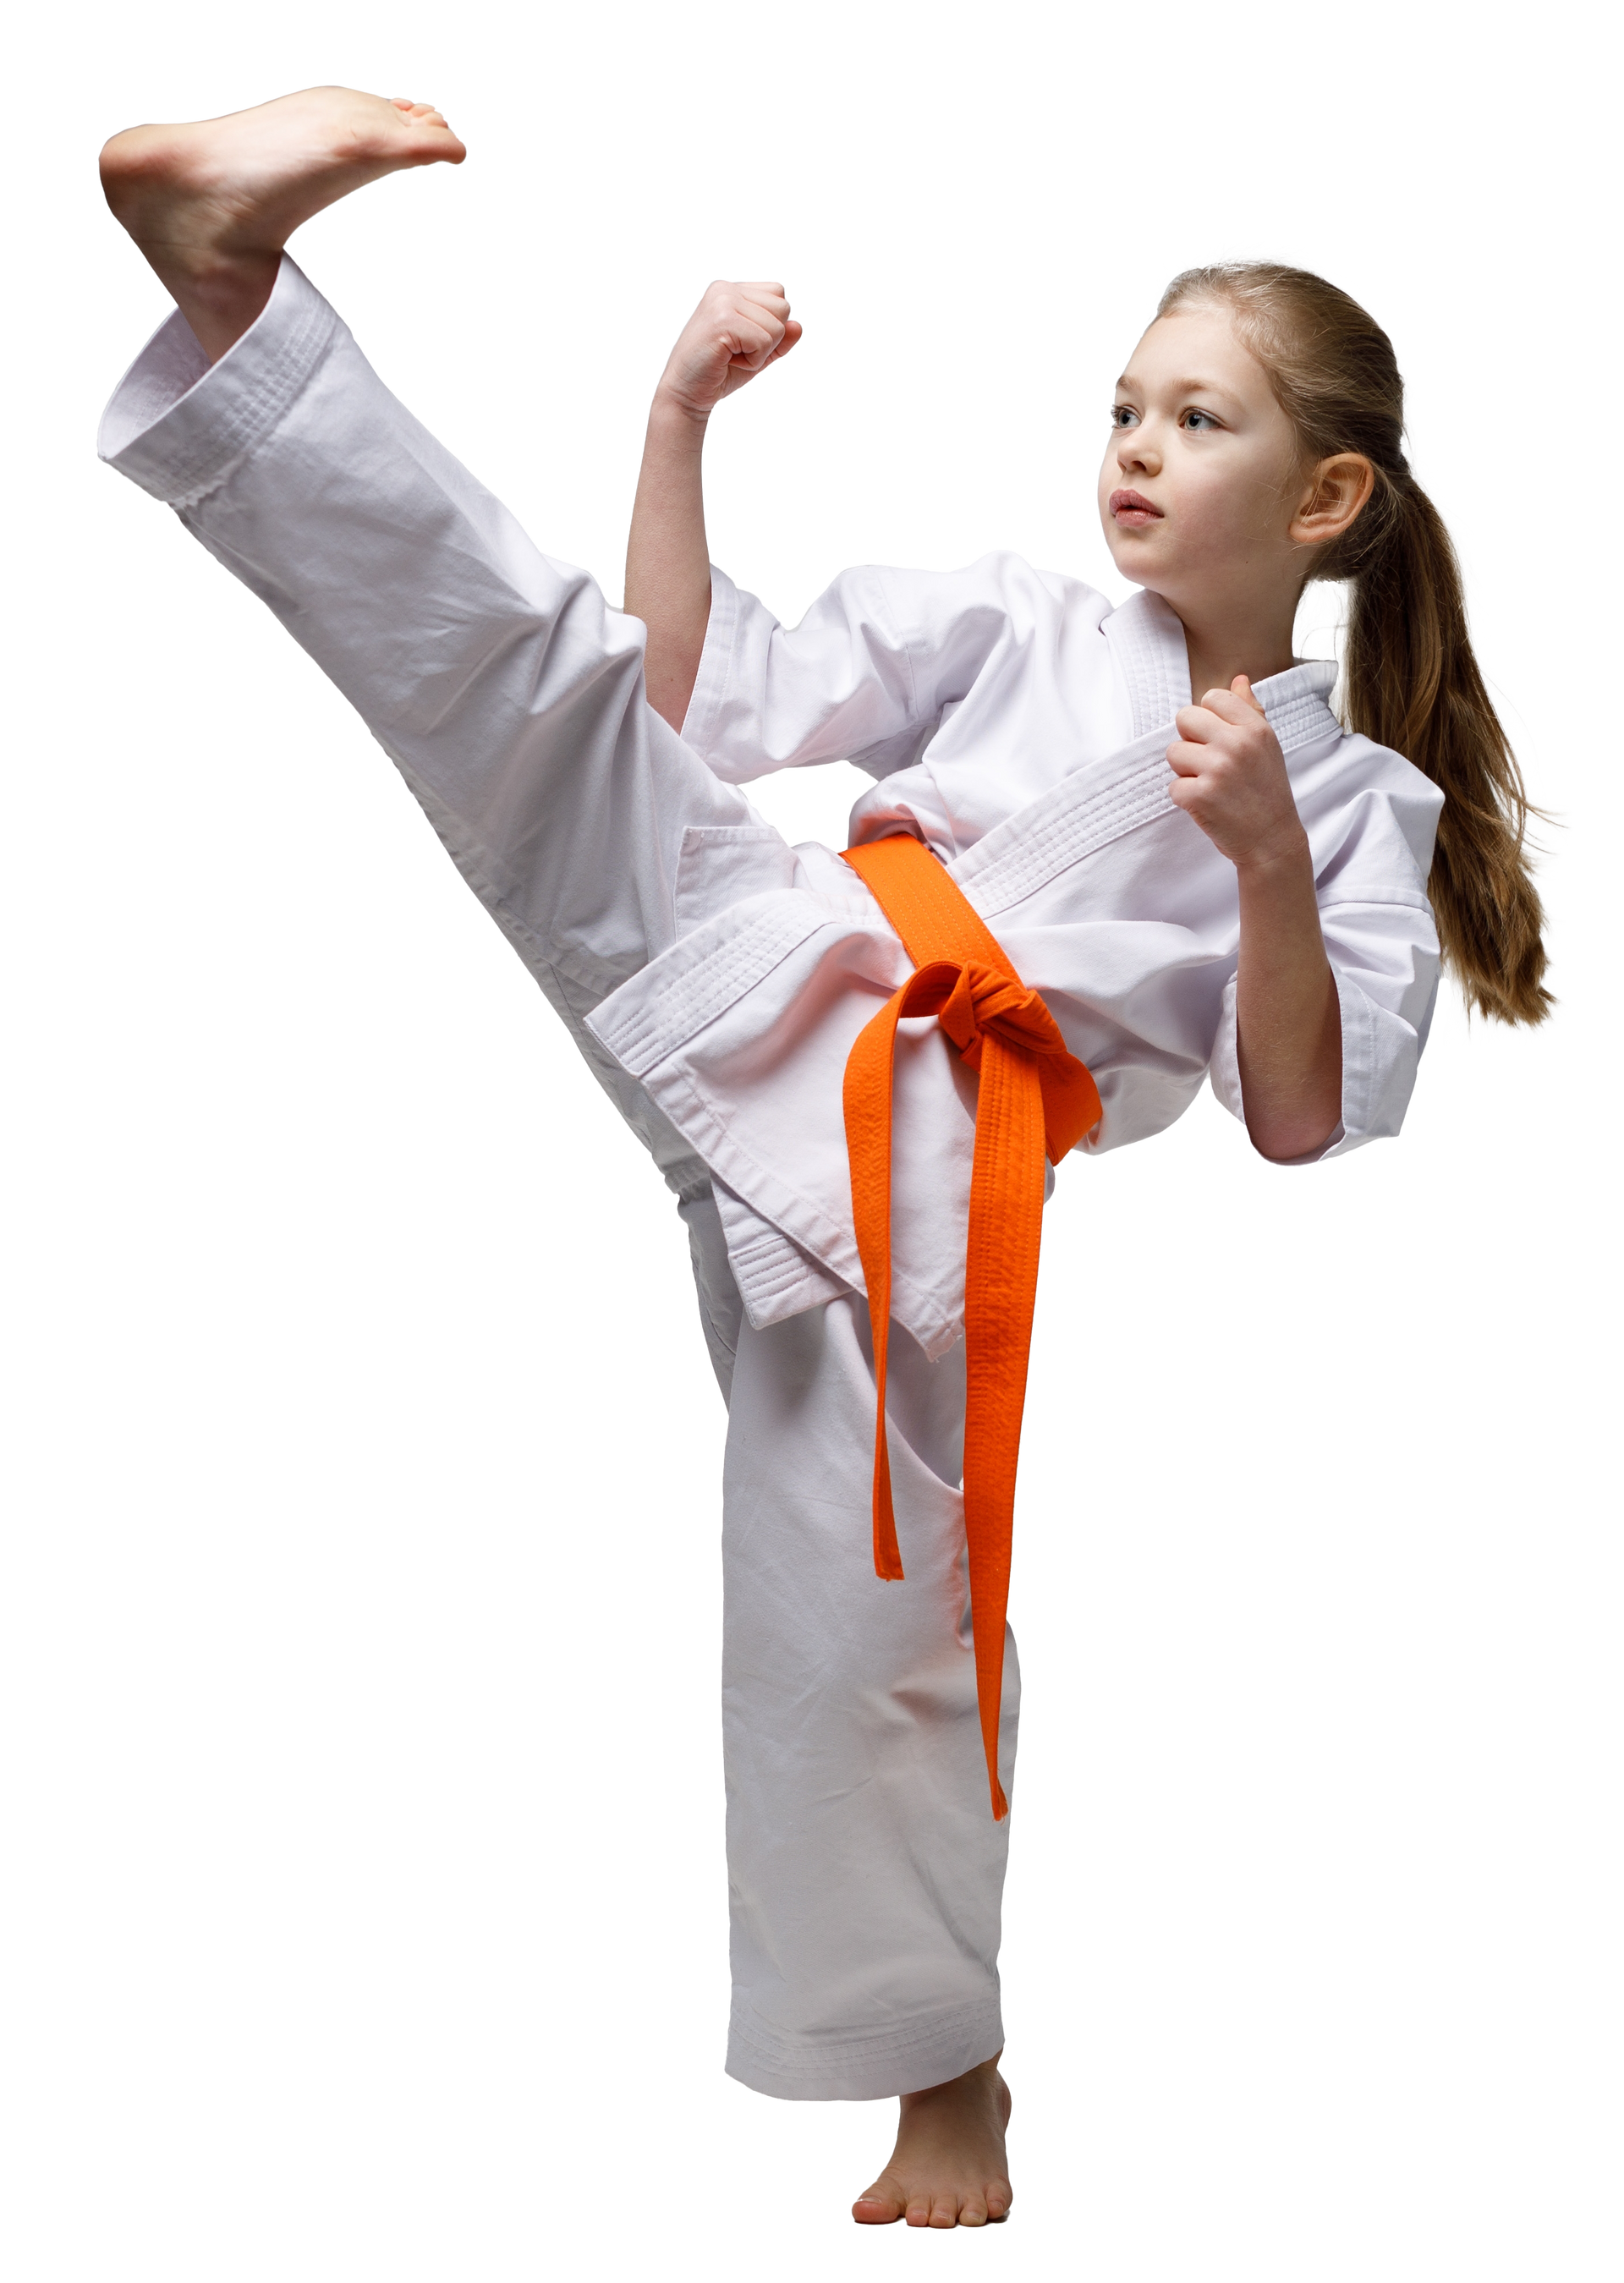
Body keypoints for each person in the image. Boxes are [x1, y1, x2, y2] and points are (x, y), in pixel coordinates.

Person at [95, 85, 1568, 2232]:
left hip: (953, 1161)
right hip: (792, 955)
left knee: (861, 1611)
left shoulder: (1358, 810)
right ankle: (233, 284)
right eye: (1127, 403)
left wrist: (1262, 854)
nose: (1137, 445)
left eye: (1200, 419)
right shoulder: (1015, 620)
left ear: (1329, 492)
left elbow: (1300, 1115)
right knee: (555, 689)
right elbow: (693, 704)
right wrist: (681, 422)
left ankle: (939, 2073)